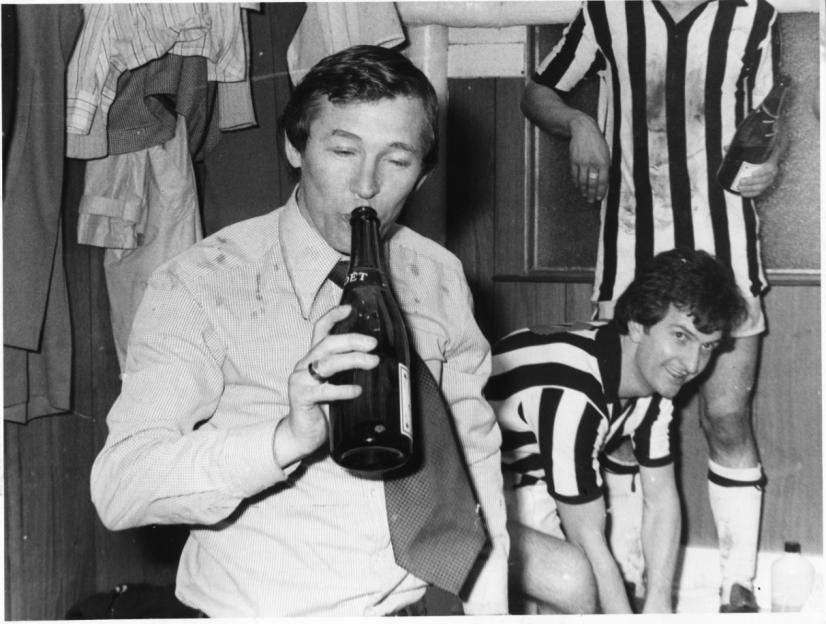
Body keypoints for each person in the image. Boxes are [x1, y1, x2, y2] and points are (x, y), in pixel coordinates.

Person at [90, 45, 508, 617]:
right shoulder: (200, 280)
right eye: (342, 150)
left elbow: (474, 452)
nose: (366, 185)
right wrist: (284, 439)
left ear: (424, 174)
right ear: (294, 146)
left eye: (397, 160)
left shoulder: (437, 273)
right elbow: (120, 488)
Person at [521, 0, 782, 612]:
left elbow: (773, 115)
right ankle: (632, 583)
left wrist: (768, 157)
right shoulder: (609, 9)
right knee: (618, 431)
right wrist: (579, 125)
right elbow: (539, 91)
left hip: (726, 256)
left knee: (726, 418)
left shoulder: (753, 16)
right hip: (632, 255)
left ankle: (736, 586)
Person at [486, 249, 748, 614]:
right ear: (639, 325)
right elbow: (587, 537)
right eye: (681, 337)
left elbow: (661, 500)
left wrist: (658, 600)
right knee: (571, 581)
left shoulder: (652, 380)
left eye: (707, 348)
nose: (692, 365)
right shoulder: (575, 390)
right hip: (467, 497)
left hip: (527, 483)